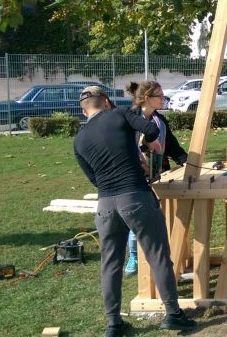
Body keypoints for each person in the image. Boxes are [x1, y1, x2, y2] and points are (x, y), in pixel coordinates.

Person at [72, 86, 195, 336]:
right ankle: (173, 314)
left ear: (84, 112)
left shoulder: (79, 140)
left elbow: (93, 178)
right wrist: (145, 153)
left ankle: (114, 323)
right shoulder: (120, 115)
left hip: (106, 204)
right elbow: (151, 128)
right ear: (106, 102)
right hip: (135, 196)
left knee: (110, 263)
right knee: (158, 255)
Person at [123, 81, 188, 276]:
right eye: (159, 95)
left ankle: (158, 254)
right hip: (134, 176)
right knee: (137, 219)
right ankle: (134, 256)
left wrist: (185, 160)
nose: (163, 99)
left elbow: (171, 145)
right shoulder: (130, 119)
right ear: (146, 99)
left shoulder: (159, 120)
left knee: (155, 216)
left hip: (157, 174)